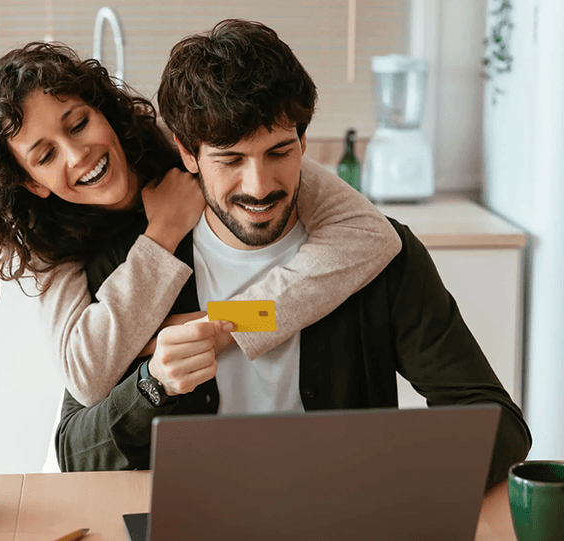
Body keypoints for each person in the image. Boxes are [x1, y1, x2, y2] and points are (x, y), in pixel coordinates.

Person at [53, 19, 531, 489]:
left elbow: (499, 426)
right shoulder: (126, 262)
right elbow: (75, 456)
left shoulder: (379, 257)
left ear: (304, 140)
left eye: (279, 152)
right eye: (231, 159)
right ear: (188, 153)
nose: (260, 187)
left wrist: (382, 480)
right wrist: (151, 386)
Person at [0, 42, 403, 408]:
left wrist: (204, 326)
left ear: (103, 110)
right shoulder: (50, 241)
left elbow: (371, 234)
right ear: (32, 183)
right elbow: (87, 376)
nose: (77, 154)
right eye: (45, 155)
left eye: (79, 123)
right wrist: (161, 235)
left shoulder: (199, 153)